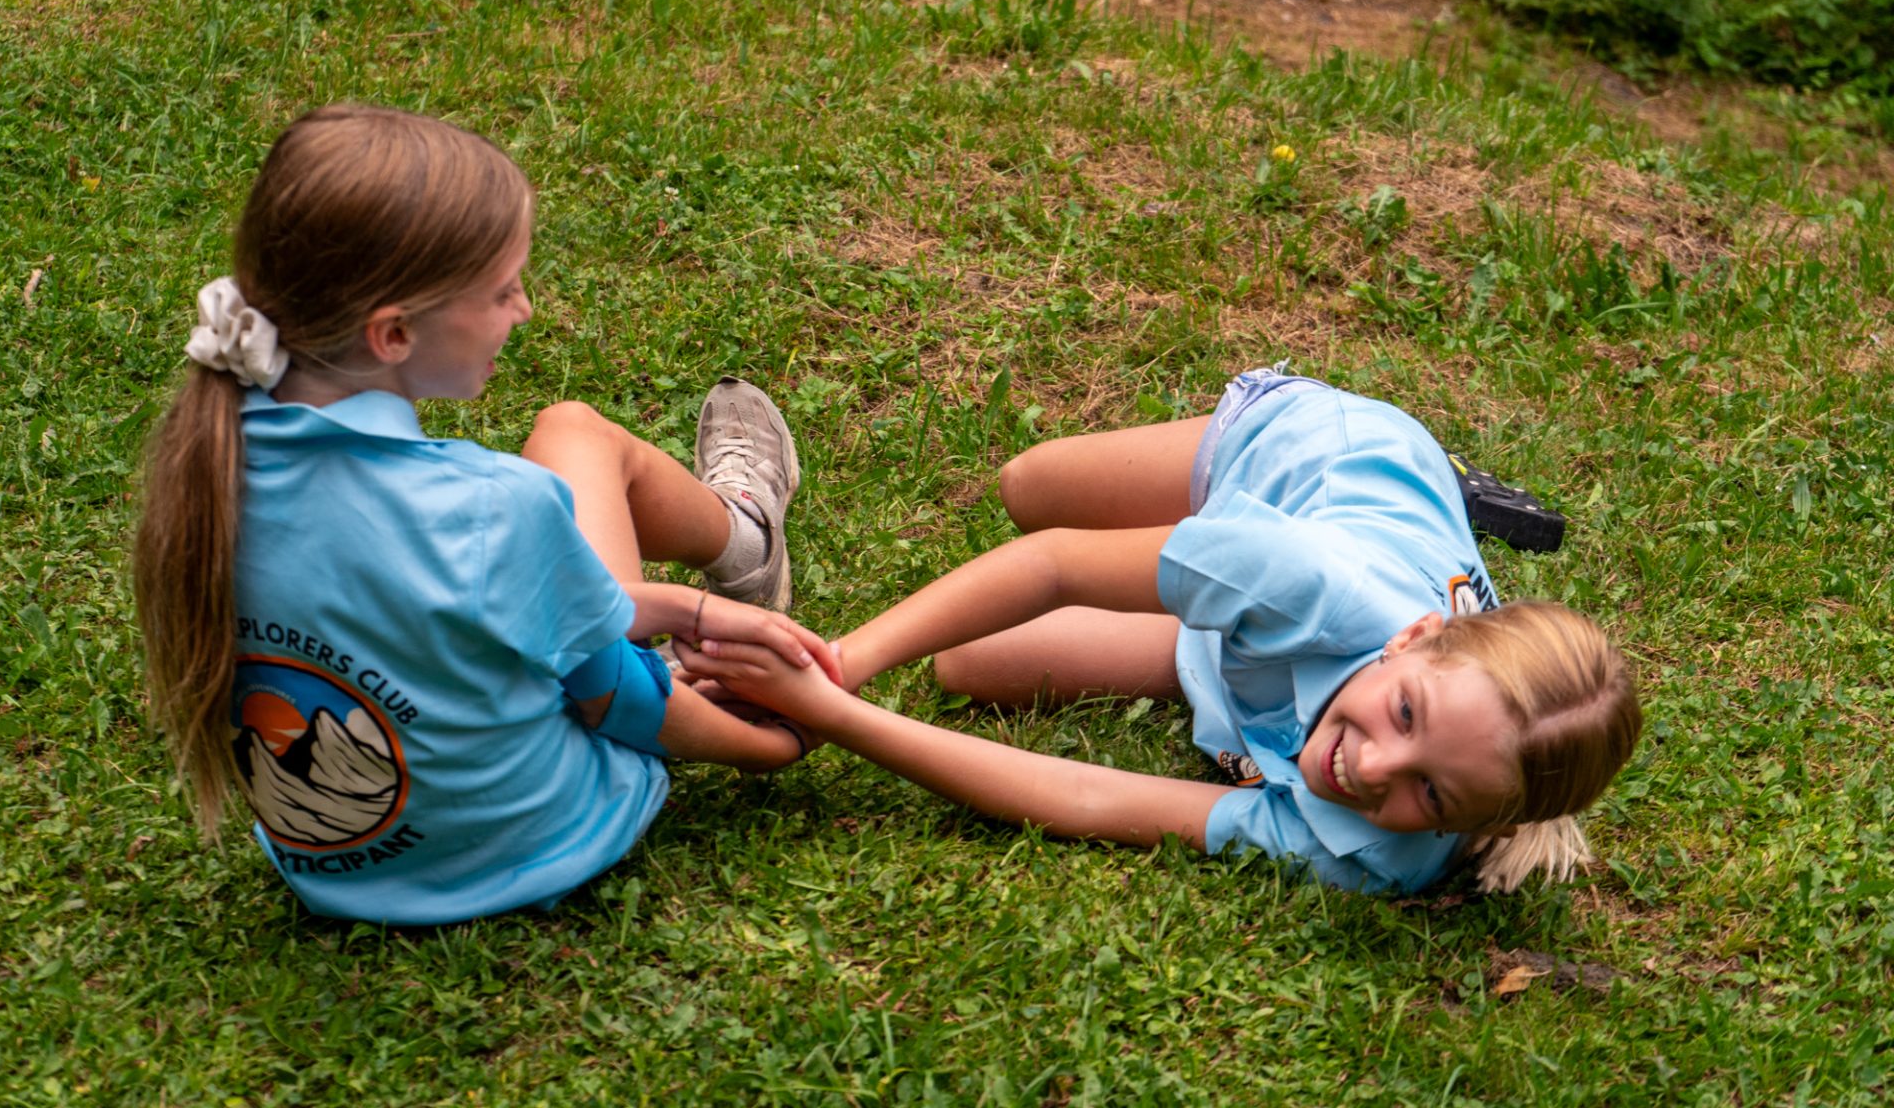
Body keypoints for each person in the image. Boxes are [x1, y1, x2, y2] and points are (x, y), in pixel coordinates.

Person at [134, 104, 839, 925]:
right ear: (394, 334)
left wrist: (685, 609)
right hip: (541, 845)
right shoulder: (490, 507)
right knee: (572, 431)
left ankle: (731, 560)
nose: (524, 309)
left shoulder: (205, 465)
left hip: (334, 873)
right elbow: (616, 700)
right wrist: (768, 747)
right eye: (504, 290)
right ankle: (747, 537)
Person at [684, 370, 1641, 894]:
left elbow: (1096, 798)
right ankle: (1435, 482)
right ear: (1412, 641)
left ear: (1477, 825)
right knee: (1030, 488)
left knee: (968, 666)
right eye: (1404, 714)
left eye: (1431, 792)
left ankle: (1220, 613)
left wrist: (834, 716)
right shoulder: (1305, 579)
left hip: (1266, 631)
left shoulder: (1384, 856)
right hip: (1311, 456)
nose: (1371, 768)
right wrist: (839, 665)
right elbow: (1054, 562)